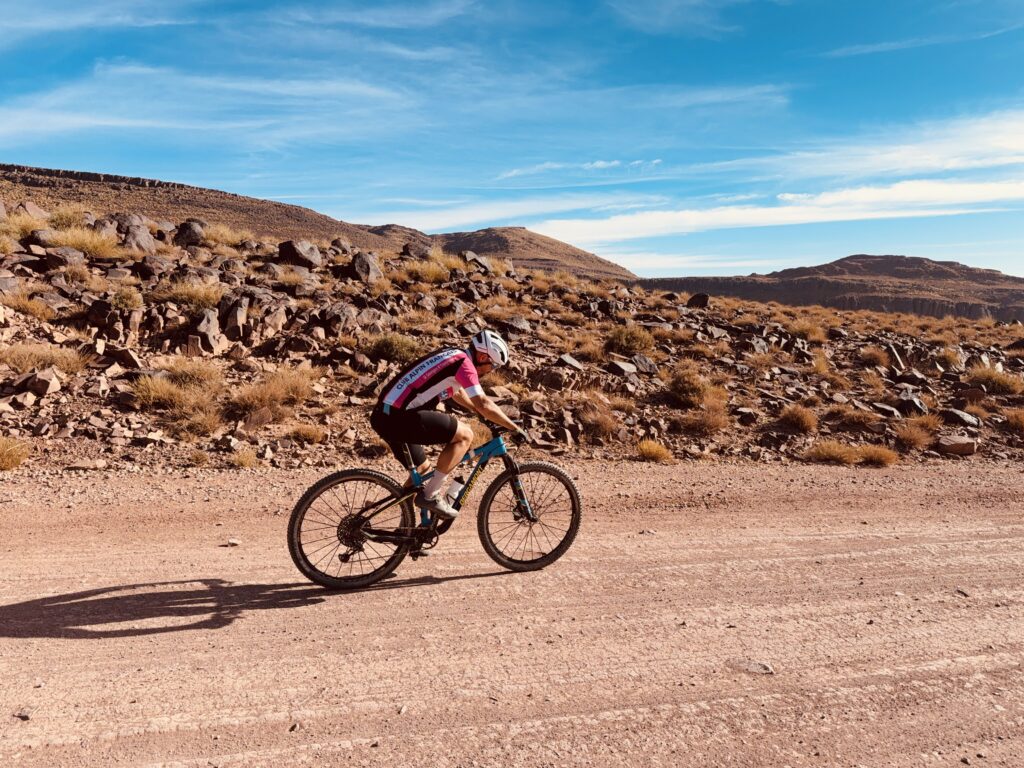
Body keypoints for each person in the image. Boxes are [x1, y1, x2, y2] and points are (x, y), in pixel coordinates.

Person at [369, 329, 526, 520]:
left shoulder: (453, 355)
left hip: (385, 414)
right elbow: (483, 403)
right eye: (492, 365)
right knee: (465, 435)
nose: (490, 370)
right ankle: (431, 496)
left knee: (422, 470)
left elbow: (456, 392)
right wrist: (514, 428)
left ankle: (406, 533)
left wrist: (479, 413)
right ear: (483, 356)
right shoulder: (465, 365)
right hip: (398, 416)